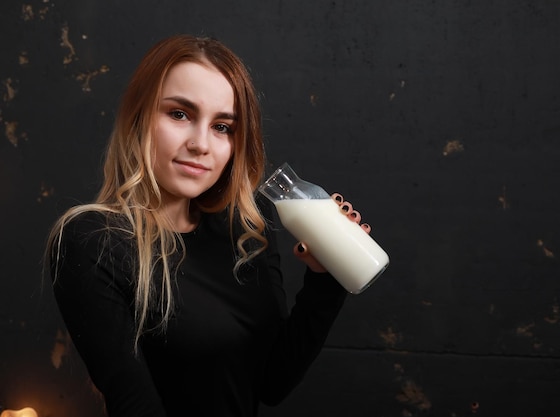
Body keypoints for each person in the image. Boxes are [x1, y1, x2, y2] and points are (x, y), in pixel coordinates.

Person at [45, 34, 373, 417]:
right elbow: (134, 404)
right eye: (179, 114)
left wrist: (325, 277)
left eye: (222, 127)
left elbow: (272, 383)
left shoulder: (247, 230)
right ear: (138, 117)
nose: (201, 144)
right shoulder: (93, 240)